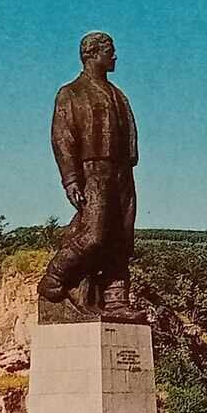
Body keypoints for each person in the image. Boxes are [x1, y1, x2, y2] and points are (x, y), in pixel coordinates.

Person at [37, 31, 144, 322]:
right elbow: (62, 138)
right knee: (94, 235)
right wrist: (71, 179)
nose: (115, 56)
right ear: (92, 54)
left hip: (122, 171)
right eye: (110, 51)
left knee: (122, 238)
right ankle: (55, 276)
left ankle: (116, 300)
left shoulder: (119, 95)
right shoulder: (71, 92)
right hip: (93, 170)